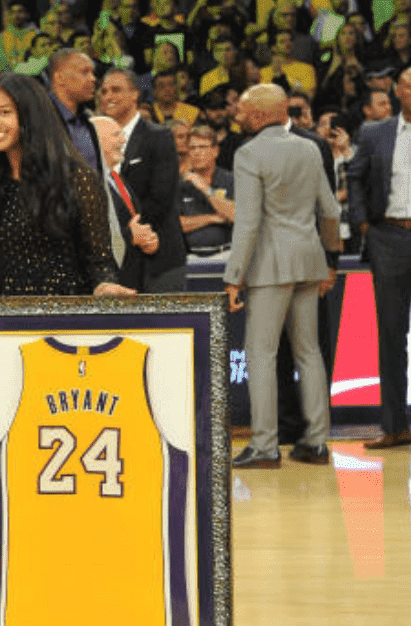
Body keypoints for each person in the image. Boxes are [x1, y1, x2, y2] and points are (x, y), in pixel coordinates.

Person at [225, 84, 340, 468]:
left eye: (242, 111)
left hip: (270, 265)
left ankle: (264, 445)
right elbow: (331, 210)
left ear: (258, 115)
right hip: (309, 260)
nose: (237, 116)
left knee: (261, 354)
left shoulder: (248, 154)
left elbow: (248, 222)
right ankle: (318, 442)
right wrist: (331, 259)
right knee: (309, 352)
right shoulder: (309, 148)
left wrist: (234, 275)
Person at [0, 73, 132, 298]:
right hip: (3, 326)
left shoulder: (78, 179)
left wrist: (105, 287)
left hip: (65, 321)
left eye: (5, 112)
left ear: (29, 115)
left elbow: (99, 264)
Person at [348, 66, 411, 449]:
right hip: (388, 234)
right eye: (408, 85)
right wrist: (362, 224)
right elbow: (355, 176)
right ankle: (395, 426)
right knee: (390, 332)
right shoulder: (375, 132)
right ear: (398, 91)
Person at [98, 67, 187, 292]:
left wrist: (127, 229)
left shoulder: (158, 137)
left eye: (116, 90)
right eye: (104, 91)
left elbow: (161, 199)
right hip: (121, 259)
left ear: (135, 94)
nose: (108, 96)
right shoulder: (93, 138)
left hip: (159, 258)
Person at [90, 113, 161, 290]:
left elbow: (132, 220)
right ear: (96, 141)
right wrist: (129, 235)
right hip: (106, 286)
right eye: (116, 135)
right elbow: (87, 237)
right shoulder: (86, 182)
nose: (123, 140)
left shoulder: (116, 178)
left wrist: (148, 240)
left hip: (132, 279)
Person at [179, 124, 235, 256]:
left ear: (215, 151)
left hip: (228, 253)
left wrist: (204, 188)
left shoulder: (231, 179)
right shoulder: (179, 185)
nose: (197, 152)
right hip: (190, 256)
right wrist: (212, 218)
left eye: (203, 147)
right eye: (192, 148)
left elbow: (236, 215)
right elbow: (175, 225)